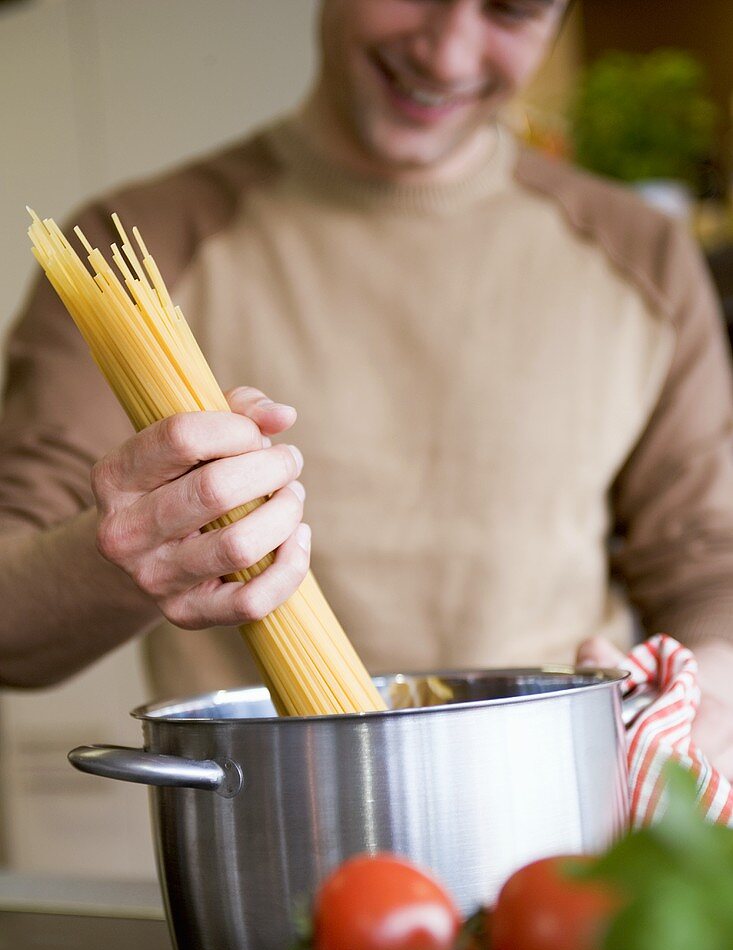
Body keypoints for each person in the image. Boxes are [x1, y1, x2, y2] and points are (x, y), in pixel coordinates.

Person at [2, 0, 733, 774]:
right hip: (272, 831)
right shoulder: (128, 256)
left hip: (566, 841)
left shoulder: (641, 259)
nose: (447, 55)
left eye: (511, 10)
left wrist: (710, 683)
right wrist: (125, 550)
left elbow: (703, 561)